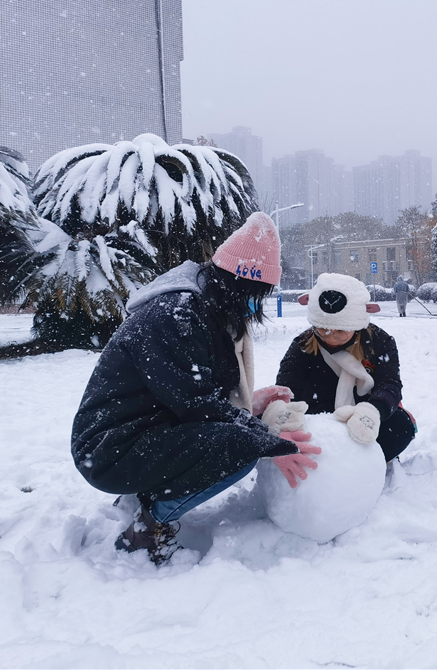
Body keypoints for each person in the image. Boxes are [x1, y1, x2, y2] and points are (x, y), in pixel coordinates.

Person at [71, 213, 321, 565]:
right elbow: (197, 405)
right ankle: (150, 521)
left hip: (139, 433)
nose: (255, 306)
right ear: (234, 285)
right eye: (253, 295)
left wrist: (250, 407)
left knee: (236, 435)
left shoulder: (205, 308)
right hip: (107, 450)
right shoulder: (174, 315)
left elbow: (195, 395)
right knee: (239, 448)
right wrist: (272, 441)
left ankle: (143, 495)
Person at [276, 272, 417, 463]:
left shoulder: (380, 342)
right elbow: (287, 388)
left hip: (361, 416)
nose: (330, 337)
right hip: (317, 419)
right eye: (322, 329)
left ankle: (366, 462)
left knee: (401, 426)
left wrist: (372, 411)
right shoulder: (303, 344)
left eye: (341, 331)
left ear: (356, 325)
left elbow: (389, 384)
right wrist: (290, 422)